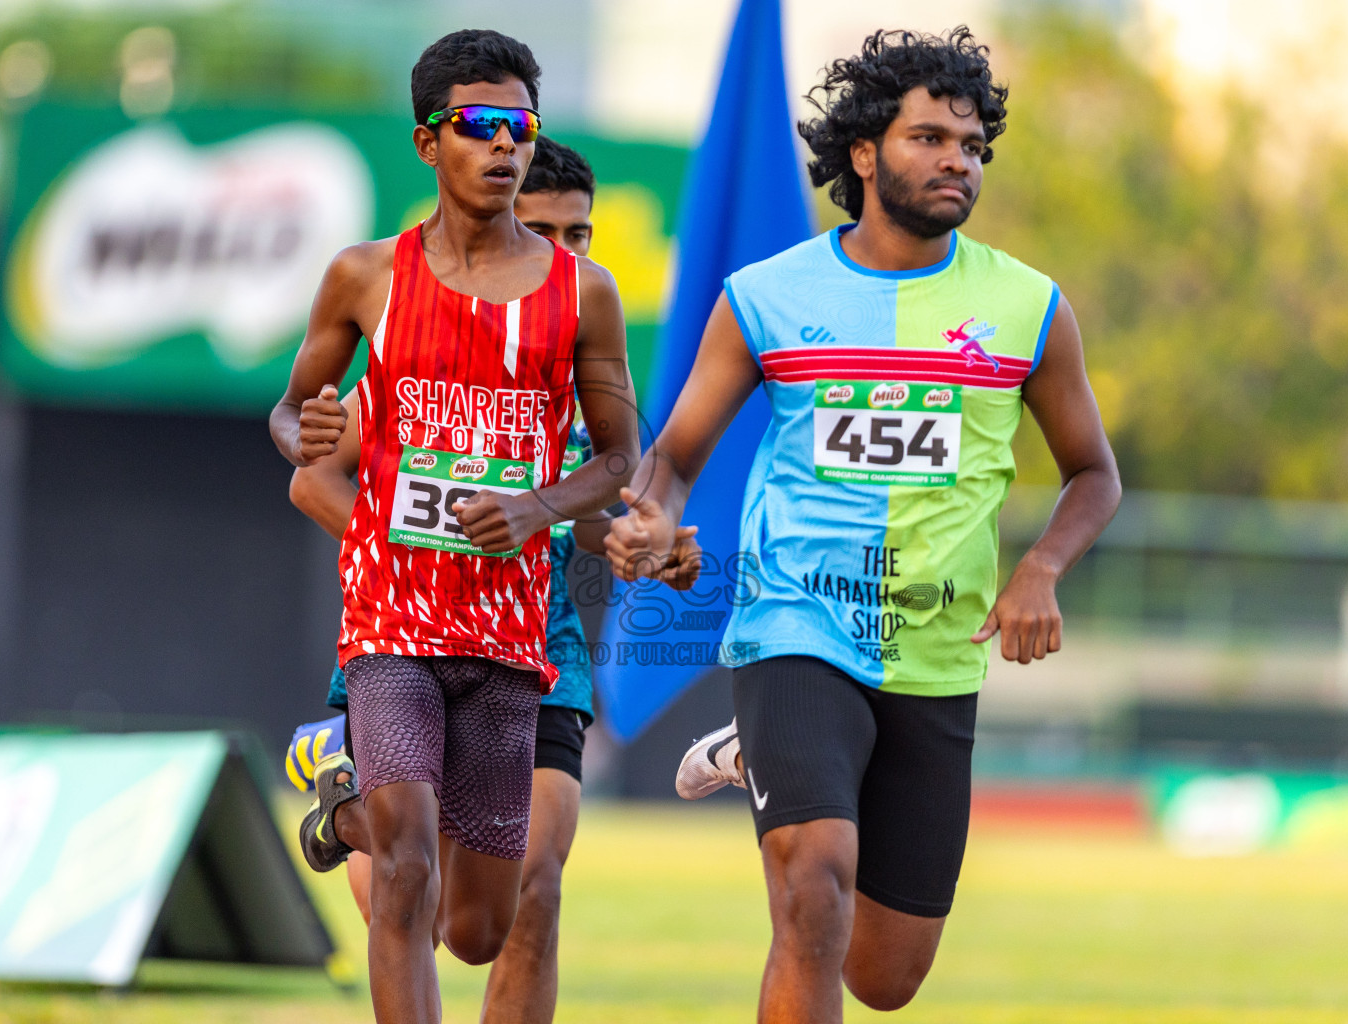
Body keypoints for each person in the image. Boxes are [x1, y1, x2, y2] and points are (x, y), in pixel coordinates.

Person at [606, 27, 1121, 1022]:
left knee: (885, 977)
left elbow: (1093, 473)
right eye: (929, 138)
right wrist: (651, 521)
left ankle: (766, 751)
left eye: (971, 146)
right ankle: (785, 738)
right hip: (793, 624)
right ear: (862, 152)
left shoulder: (1028, 307)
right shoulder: (766, 297)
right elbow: (673, 458)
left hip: (935, 650)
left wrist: (1042, 568)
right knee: (814, 888)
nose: (956, 162)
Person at [267, 30, 641, 1024]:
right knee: (405, 869)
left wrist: (537, 508)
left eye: (520, 126)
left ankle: (338, 805)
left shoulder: (583, 295)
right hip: (392, 624)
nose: (504, 145)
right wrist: (299, 430)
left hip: (511, 635)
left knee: (479, 923)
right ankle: (372, 812)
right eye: (479, 126)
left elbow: (615, 457)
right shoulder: (365, 277)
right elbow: (292, 410)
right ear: (429, 143)